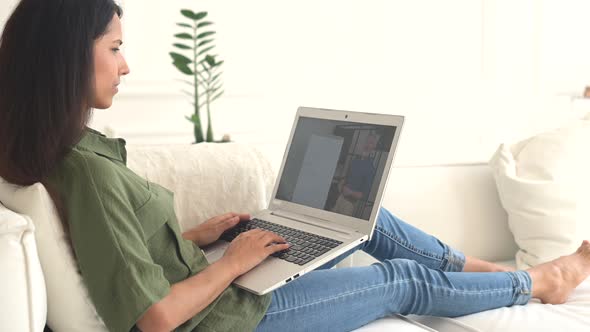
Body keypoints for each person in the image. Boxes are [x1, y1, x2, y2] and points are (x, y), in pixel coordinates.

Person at [0, 1, 589, 331]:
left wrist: (192, 237)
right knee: (396, 280)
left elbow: (117, 254)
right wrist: (232, 263)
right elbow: (155, 320)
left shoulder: (72, 151)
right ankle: (536, 280)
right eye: (114, 48)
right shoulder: (88, 171)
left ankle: (479, 269)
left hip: (206, 287)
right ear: (65, 58)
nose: (125, 67)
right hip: (222, 319)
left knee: (359, 218)